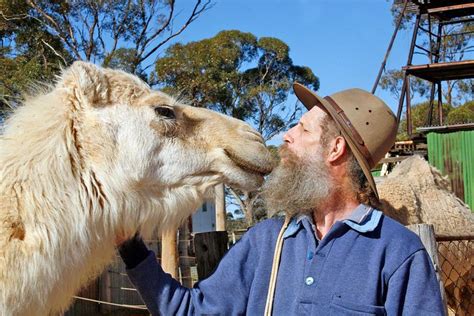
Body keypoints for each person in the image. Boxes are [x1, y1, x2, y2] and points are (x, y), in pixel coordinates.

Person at [117, 83, 445, 315]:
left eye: (303, 129)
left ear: (336, 149)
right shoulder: (266, 242)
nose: (287, 136)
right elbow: (189, 312)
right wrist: (130, 245)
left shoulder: (400, 253)